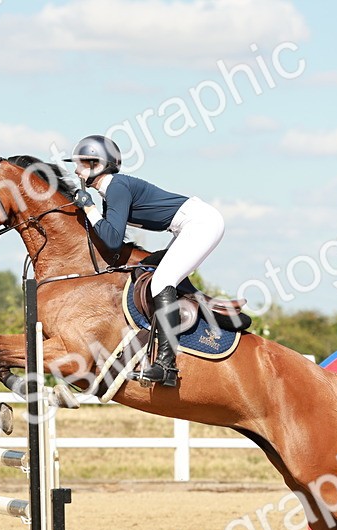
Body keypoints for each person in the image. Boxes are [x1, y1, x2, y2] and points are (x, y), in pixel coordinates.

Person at [64, 134, 225, 388]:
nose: (76, 171)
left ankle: (166, 366)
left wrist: (89, 209)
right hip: (188, 226)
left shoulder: (116, 187)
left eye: (81, 164)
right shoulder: (111, 193)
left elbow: (114, 240)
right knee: (150, 267)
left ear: (97, 165)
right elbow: (110, 242)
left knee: (162, 280)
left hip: (201, 223)